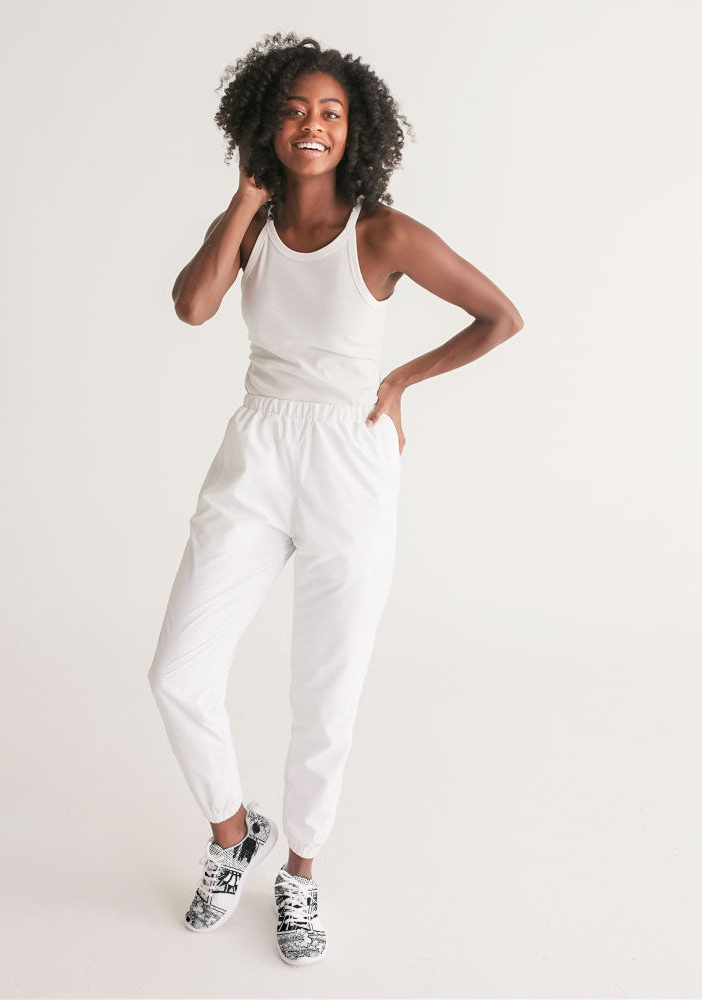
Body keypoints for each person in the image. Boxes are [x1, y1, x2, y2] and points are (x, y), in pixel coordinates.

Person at [148, 32, 523, 966]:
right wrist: (242, 202)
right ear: (265, 125)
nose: (310, 125)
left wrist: (398, 381)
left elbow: (499, 316)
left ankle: (301, 874)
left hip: (349, 457)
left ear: (356, 130)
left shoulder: (382, 233)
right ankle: (235, 833)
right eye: (292, 110)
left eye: (330, 112)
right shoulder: (252, 224)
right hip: (257, 448)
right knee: (177, 673)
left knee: (326, 688)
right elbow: (193, 307)